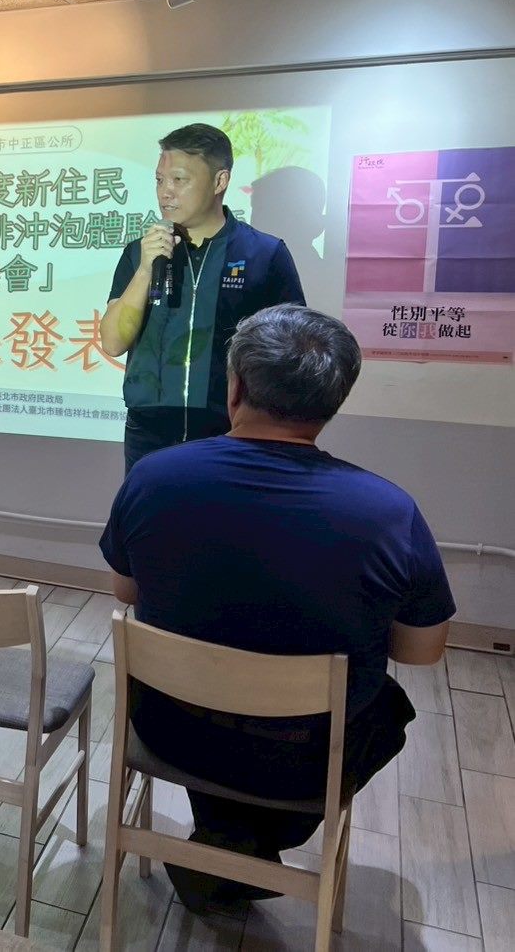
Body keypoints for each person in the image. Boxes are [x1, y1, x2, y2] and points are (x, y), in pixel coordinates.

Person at [99, 304, 454, 915]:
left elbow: (125, 593)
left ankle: (226, 845)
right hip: (306, 760)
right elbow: (421, 651)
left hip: (170, 729)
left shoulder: (154, 477)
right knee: (383, 705)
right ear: (334, 401)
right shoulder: (388, 512)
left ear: (234, 386)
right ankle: (242, 849)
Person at [100, 123, 305, 470]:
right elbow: (113, 342)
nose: (166, 192)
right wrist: (146, 269)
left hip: (231, 434)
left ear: (220, 181)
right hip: (149, 432)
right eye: (159, 180)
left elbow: (292, 352)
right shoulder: (140, 253)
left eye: (179, 180)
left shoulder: (264, 254)